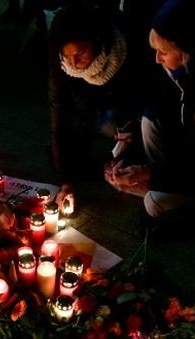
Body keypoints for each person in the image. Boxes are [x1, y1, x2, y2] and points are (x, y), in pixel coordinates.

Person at [106, 0, 195, 220]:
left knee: (154, 204)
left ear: (188, 53)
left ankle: (193, 210)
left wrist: (148, 174)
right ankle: (155, 189)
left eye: (163, 52)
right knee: (150, 118)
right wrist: (130, 158)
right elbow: (161, 115)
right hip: (182, 163)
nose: (157, 58)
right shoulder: (178, 76)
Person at [48, 1, 158, 210]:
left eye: (80, 54)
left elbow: (140, 106)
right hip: (92, 105)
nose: (73, 63)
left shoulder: (126, 47)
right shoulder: (62, 63)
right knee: (71, 152)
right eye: (67, 56)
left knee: (128, 142)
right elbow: (58, 111)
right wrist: (65, 180)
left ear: (97, 41)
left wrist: (128, 154)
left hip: (121, 105)